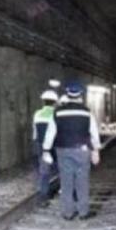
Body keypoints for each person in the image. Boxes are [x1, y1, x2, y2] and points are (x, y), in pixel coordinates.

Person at [42, 82, 101, 220]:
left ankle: (68, 213)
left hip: (63, 150)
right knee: (82, 180)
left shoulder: (58, 111)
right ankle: (83, 212)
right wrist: (96, 150)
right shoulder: (86, 112)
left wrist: (46, 149)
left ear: (68, 95)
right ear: (80, 95)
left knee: (66, 181)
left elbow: (51, 132)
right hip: (82, 150)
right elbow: (93, 132)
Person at [33, 90, 58, 206]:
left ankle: (43, 196)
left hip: (41, 145)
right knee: (62, 169)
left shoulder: (37, 114)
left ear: (43, 102)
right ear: (55, 102)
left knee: (44, 172)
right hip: (55, 144)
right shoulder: (57, 113)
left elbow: (35, 132)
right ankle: (63, 192)